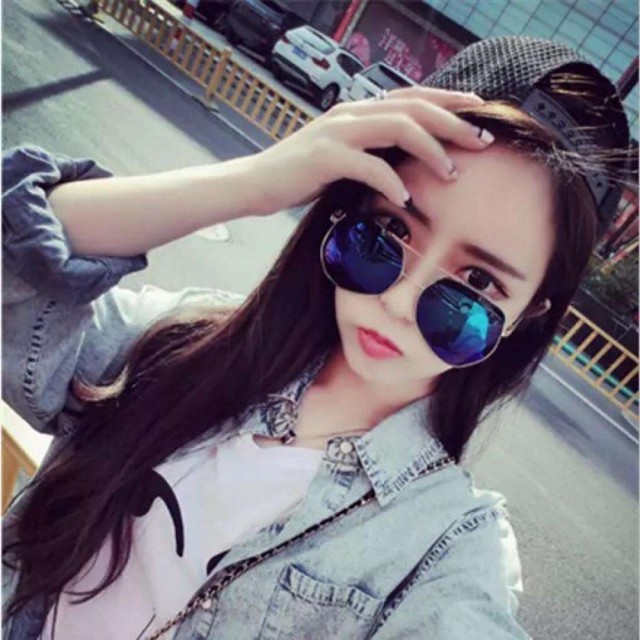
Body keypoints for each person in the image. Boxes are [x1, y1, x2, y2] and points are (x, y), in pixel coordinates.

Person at [1, 36, 631, 640]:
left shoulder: (445, 552)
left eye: (477, 282)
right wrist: (254, 182)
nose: (398, 302)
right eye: (389, 231)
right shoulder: (184, 345)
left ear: (526, 315)